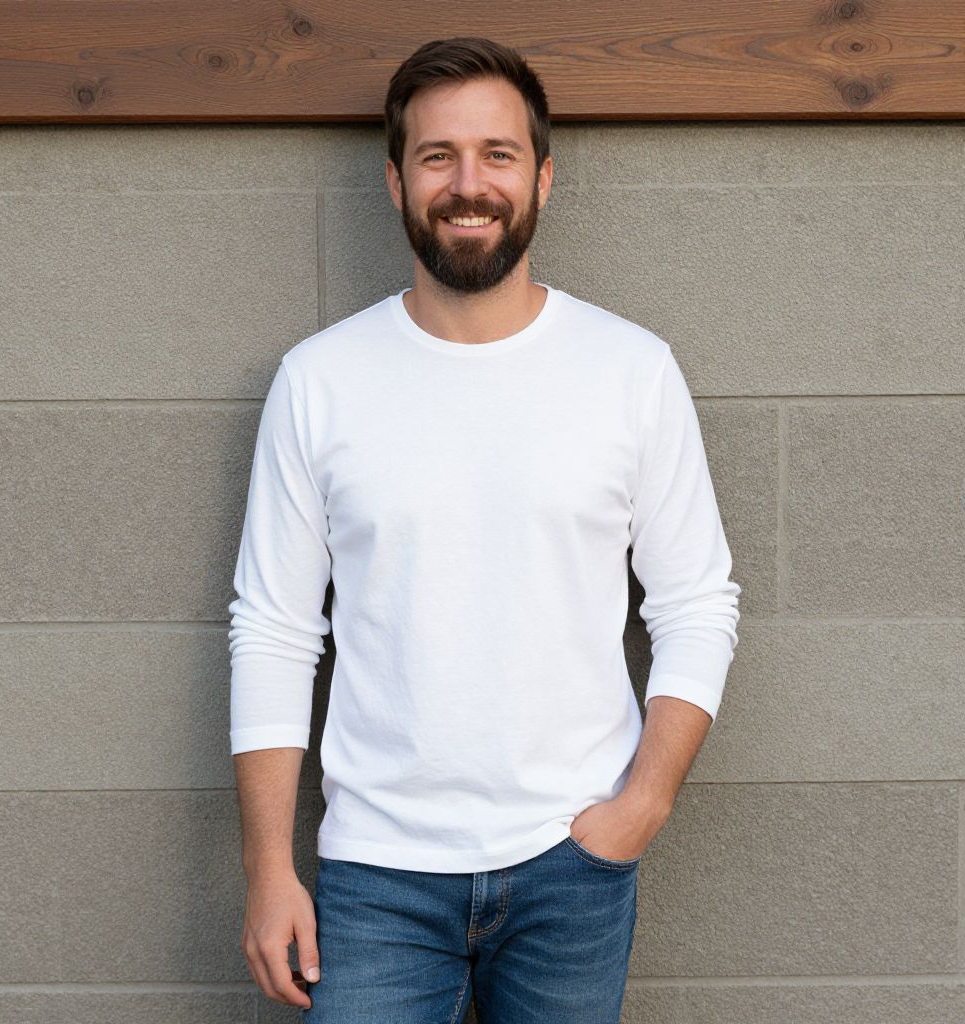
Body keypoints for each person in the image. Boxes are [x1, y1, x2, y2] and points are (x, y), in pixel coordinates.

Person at [228, 36, 740, 1023]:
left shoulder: (628, 370)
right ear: (395, 181)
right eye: (438, 156)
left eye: (498, 154)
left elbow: (696, 602)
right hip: (376, 874)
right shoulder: (320, 380)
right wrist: (268, 871)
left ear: (543, 176)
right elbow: (276, 628)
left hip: (572, 870)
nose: (470, 184)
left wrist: (641, 807)